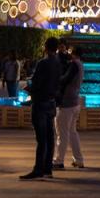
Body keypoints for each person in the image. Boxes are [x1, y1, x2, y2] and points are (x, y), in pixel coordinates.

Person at [20, 37, 61, 180]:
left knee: (41, 138)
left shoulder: (43, 63)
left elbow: (37, 82)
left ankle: (38, 169)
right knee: (50, 137)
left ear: (45, 46)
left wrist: (29, 88)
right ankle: (47, 169)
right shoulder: (58, 62)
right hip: (51, 103)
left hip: (41, 102)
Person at [53, 47, 84, 170]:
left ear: (73, 54)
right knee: (72, 133)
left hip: (67, 103)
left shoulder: (74, 65)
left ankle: (58, 161)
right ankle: (79, 160)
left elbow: (65, 79)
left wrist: (55, 80)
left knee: (62, 133)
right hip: (75, 102)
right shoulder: (80, 65)